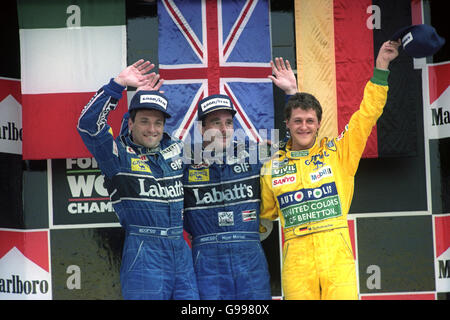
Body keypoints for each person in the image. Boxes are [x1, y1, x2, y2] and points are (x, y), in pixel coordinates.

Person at [259, 40, 401, 300]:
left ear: (318, 124)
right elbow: (264, 215)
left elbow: (367, 115)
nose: (304, 126)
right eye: (297, 121)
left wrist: (381, 66)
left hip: (337, 259)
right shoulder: (272, 167)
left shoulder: (338, 152)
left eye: (310, 121)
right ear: (287, 124)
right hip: (296, 263)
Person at [77, 59, 199, 300]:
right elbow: (88, 126)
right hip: (144, 253)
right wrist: (117, 85)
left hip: (181, 253)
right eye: (144, 121)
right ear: (131, 122)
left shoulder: (176, 149)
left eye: (158, 123)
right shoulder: (116, 155)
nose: (152, 129)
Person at [182, 59, 297, 300]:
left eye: (228, 122)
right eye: (215, 123)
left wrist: (291, 93)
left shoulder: (255, 153)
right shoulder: (185, 162)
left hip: (250, 259)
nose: (224, 129)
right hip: (207, 262)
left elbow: (293, 147)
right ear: (202, 129)